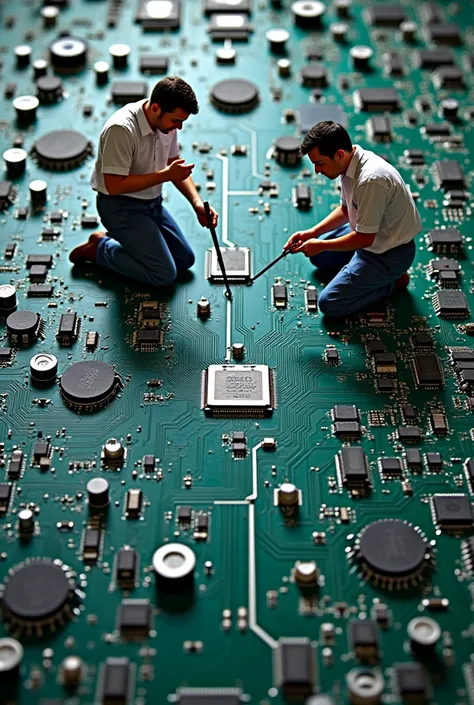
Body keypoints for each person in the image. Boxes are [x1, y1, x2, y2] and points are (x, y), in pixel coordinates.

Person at [70, 76, 218, 286]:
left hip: (152, 203)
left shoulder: (166, 125)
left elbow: (173, 163)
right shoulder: (121, 130)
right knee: (163, 274)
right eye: (176, 121)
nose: (179, 127)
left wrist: (196, 204)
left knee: (185, 260)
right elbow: (114, 186)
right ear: (156, 108)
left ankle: (128, 242)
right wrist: (166, 175)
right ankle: (99, 248)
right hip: (120, 208)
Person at [284, 121, 421, 317]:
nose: (317, 171)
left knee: (329, 303)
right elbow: (346, 210)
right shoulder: (349, 162)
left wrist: (322, 245)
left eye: (320, 164)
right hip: (366, 234)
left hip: (388, 253)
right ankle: (361, 268)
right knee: (317, 256)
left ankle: (394, 282)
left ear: (339, 154)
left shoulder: (370, 180)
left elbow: (365, 239)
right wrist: (311, 234)